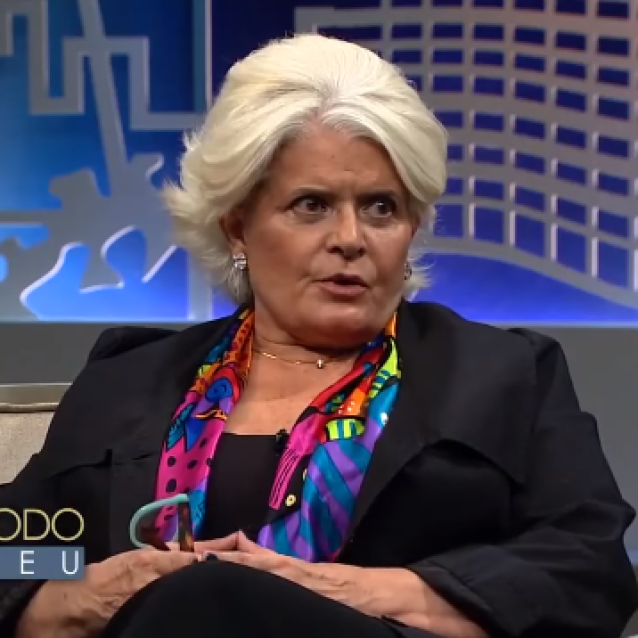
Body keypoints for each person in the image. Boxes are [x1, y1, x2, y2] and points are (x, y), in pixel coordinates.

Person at [1, 33, 636, 638]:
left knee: (210, 594)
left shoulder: (502, 376)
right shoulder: (127, 383)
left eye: (381, 207)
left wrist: (347, 590)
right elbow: (17, 553)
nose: (351, 239)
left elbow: (587, 569)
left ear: (411, 227)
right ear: (237, 227)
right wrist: (87, 593)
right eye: (312, 205)